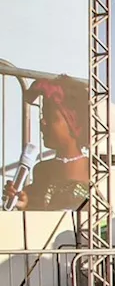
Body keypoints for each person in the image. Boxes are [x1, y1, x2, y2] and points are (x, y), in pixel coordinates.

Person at [3, 75, 90, 211]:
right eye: (43, 115)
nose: (43, 122)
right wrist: (24, 203)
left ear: (75, 124)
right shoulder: (41, 170)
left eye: (51, 117)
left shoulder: (94, 169)